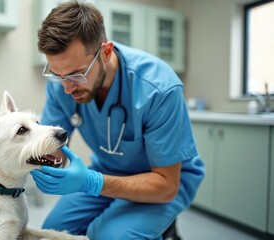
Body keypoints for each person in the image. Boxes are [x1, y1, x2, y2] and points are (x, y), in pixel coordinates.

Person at [30, 1, 205, 239]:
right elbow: (53, 150)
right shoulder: (62, 84)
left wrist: (91, 183)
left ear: (106, 52)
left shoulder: (158, 89)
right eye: (58, 75)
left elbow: (166, 184)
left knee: (107, 235)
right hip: (107, 170)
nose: (67, 88)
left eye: (77, 75)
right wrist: (44, 159)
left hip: (163, 181)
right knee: (51, 232)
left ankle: (165, 230)